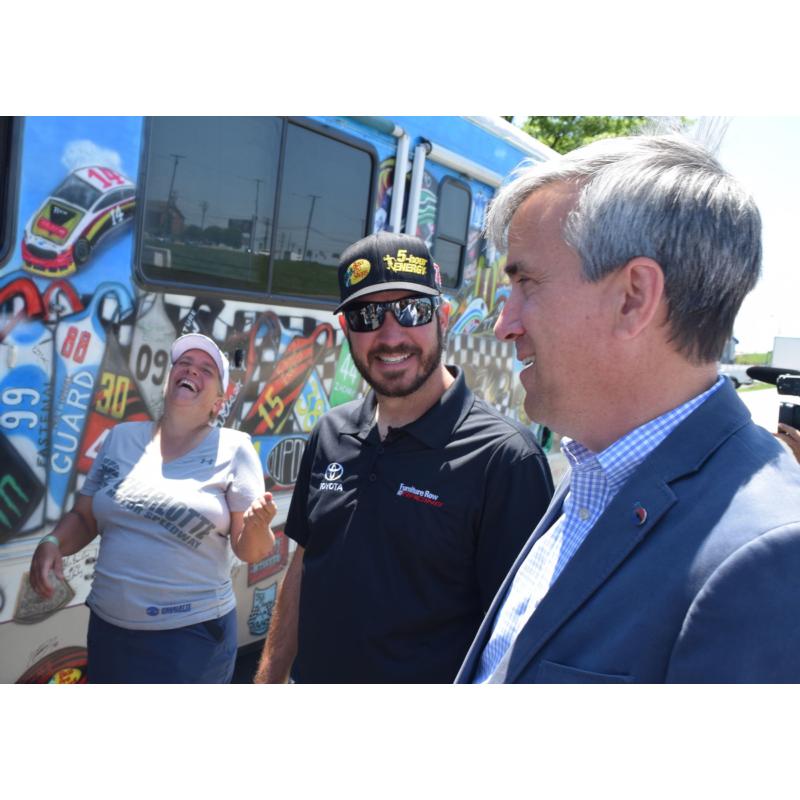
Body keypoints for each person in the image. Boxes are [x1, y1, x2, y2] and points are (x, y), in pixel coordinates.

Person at [456, 134, 800, 684]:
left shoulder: (770, 557)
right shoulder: (597, 468)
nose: (505, 323)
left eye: (525, 283)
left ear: (634, 296)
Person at [254, 231, 554, 683]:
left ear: (444, 318)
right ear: (346, 331)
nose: (390, 335)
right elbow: (306, 563)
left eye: (413, 310)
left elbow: (518, 640)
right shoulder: (331, 432)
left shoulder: (506, 460)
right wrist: (270, 676)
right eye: (367, 315)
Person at [29, 333, 277, 683]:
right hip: (108, 631)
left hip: (189, 640)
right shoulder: (120, 438)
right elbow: (85, 517)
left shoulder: (234, 449)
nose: (192, 370)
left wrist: (255, 527)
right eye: (184, 363)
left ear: (218, 403)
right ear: (169, 380)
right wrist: (52, 543)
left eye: (207, 369)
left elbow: (251, 549)